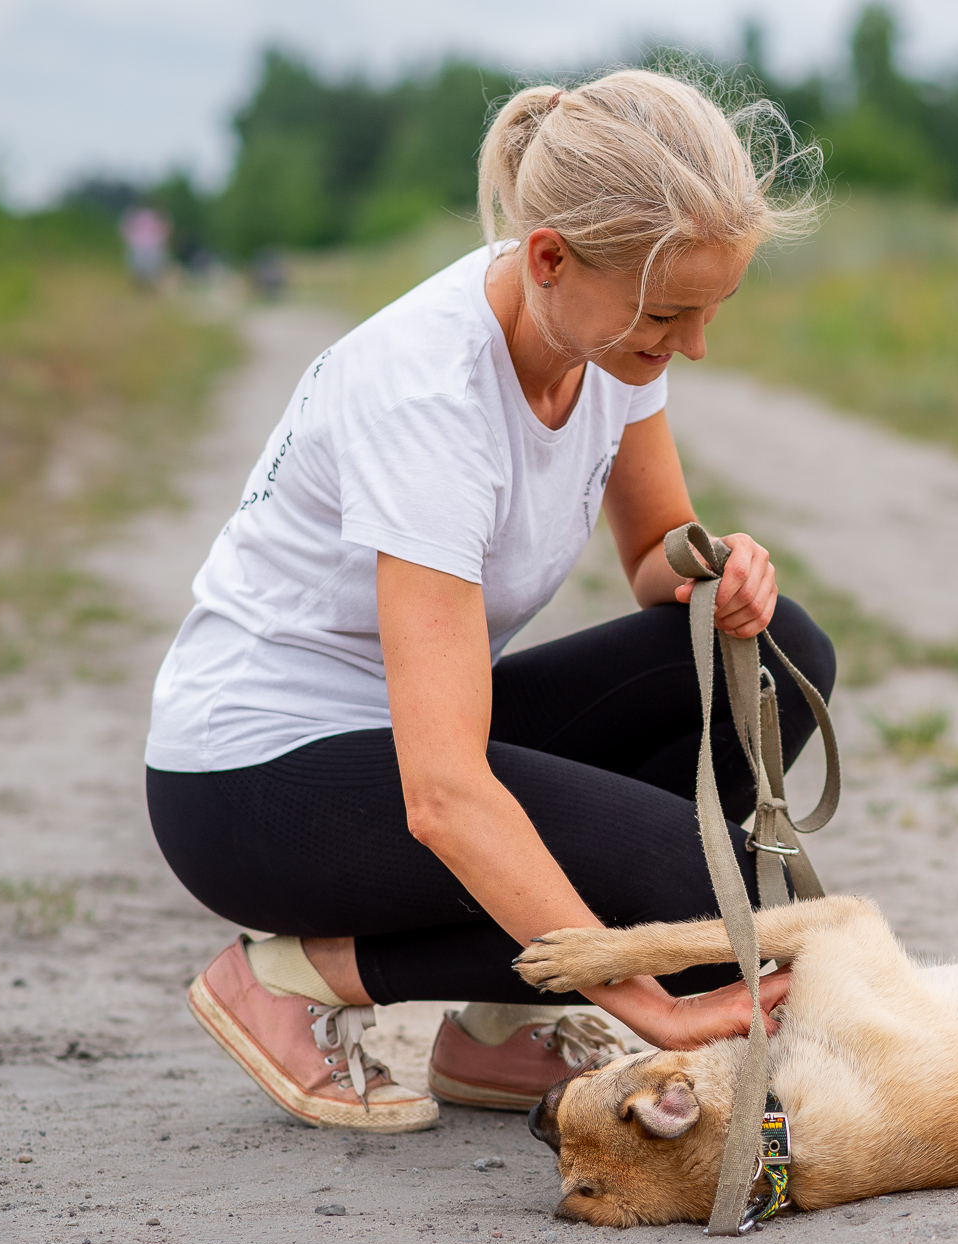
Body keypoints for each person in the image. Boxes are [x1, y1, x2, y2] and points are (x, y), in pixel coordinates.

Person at [144, 70, 830, 1132]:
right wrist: (631, 983)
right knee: (693, 890)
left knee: (777, 658)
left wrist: (719, 570)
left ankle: (498, 1028)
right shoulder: (428, 394)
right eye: (669, 316)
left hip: (408, 732)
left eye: (711, 309)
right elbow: (445, 796)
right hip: (252, 785)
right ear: (549, 255)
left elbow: (655, 554)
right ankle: (291, 974)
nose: (692, 346)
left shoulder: (605, 329)